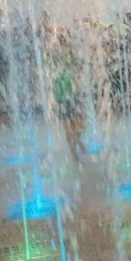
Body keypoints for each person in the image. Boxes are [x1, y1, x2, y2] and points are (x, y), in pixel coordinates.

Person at [51, 29, 86, 162]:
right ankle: (74, 153)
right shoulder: (56, 59)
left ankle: (77, 142)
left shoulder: (70, 58)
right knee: (68, 126)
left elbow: (79, 70)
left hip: (72, 95)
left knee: (78, 123)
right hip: (62, 97)